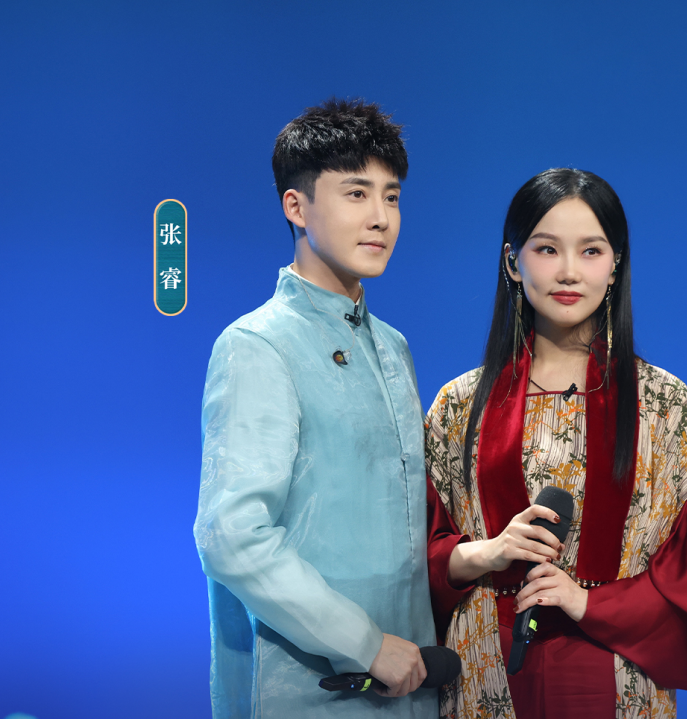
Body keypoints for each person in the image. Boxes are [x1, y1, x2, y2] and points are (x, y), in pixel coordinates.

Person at [424, 169, 687, 718]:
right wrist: (488, 552)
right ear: (513, 262)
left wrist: (588, 600)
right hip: (485, 672)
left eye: (591, 250)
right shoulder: (459, 405)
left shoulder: (665, 404)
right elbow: (410, 562)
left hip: (620, 675)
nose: (569, 271)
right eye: (547, 249)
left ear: (615, 263)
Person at [194, 98, 435, 719]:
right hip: (310, 693)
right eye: (356, 194)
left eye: (392, 197)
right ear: (296, 207)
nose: (380, 217)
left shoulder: (392, 346)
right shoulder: (257, 345)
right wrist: (364, 643)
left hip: (412, 683)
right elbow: (231, 537)